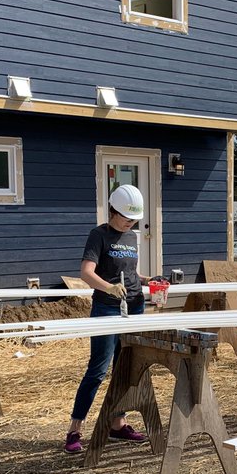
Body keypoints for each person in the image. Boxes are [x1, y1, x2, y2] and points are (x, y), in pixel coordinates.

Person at [64, 184, 149, 454]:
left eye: (134, 219)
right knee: (98, 370)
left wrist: (149, 280)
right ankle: (75, 429)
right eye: (126, 217)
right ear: (113, 211)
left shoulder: (132, 237)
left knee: (125, 367)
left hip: (134, 306)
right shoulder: (99, 235)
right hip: (108, 308)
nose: (130, 223)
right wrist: (109, 288)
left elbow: (130, 273)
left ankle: (117, 424)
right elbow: (87, 273)